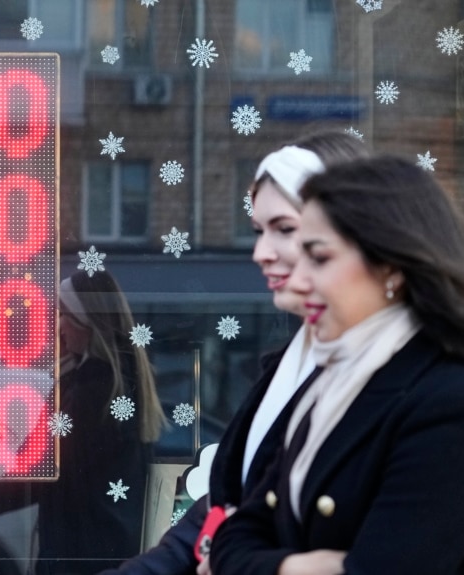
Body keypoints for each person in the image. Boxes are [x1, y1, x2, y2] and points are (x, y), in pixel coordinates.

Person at [210, 156, 464, 575]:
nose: (297, 280)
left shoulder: (453, 401)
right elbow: (233, 536)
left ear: (390, 266)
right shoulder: (334, 380)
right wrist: (299, 568)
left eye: (319, 258)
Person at [99, 131, 368, 575]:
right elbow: (229, 505)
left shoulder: (408, 376)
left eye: (284, 229)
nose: (262, 253)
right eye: (260, 231)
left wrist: (238, 561)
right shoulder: (290, 366)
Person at [0, 269, 166, 575]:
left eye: (63, 314)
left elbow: (40, 472)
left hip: (78, 557)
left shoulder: (90, 395)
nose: (58, 325)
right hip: (107, 552)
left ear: (84, 322)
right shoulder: (120, 384)